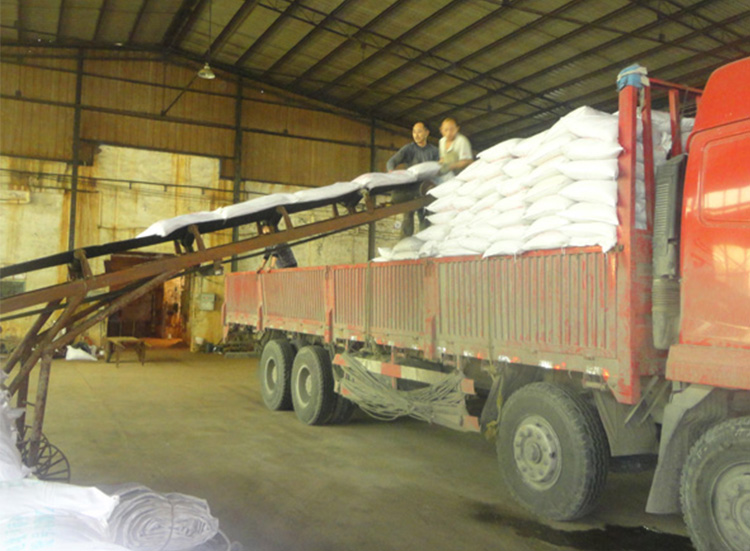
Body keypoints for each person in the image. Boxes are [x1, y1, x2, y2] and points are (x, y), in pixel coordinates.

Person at [386, 122, 439, 237]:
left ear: (427, 133)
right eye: (414, 132)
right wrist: (391, 173)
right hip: (409, 190)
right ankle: (405, 244)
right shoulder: (408, 149)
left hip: (426, 190)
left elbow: (441, 168)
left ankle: (424, 243)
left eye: (419, 131)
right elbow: (391, 162)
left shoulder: (434, 151)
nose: (416, 135)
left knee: (425, 218)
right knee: (407, 217)